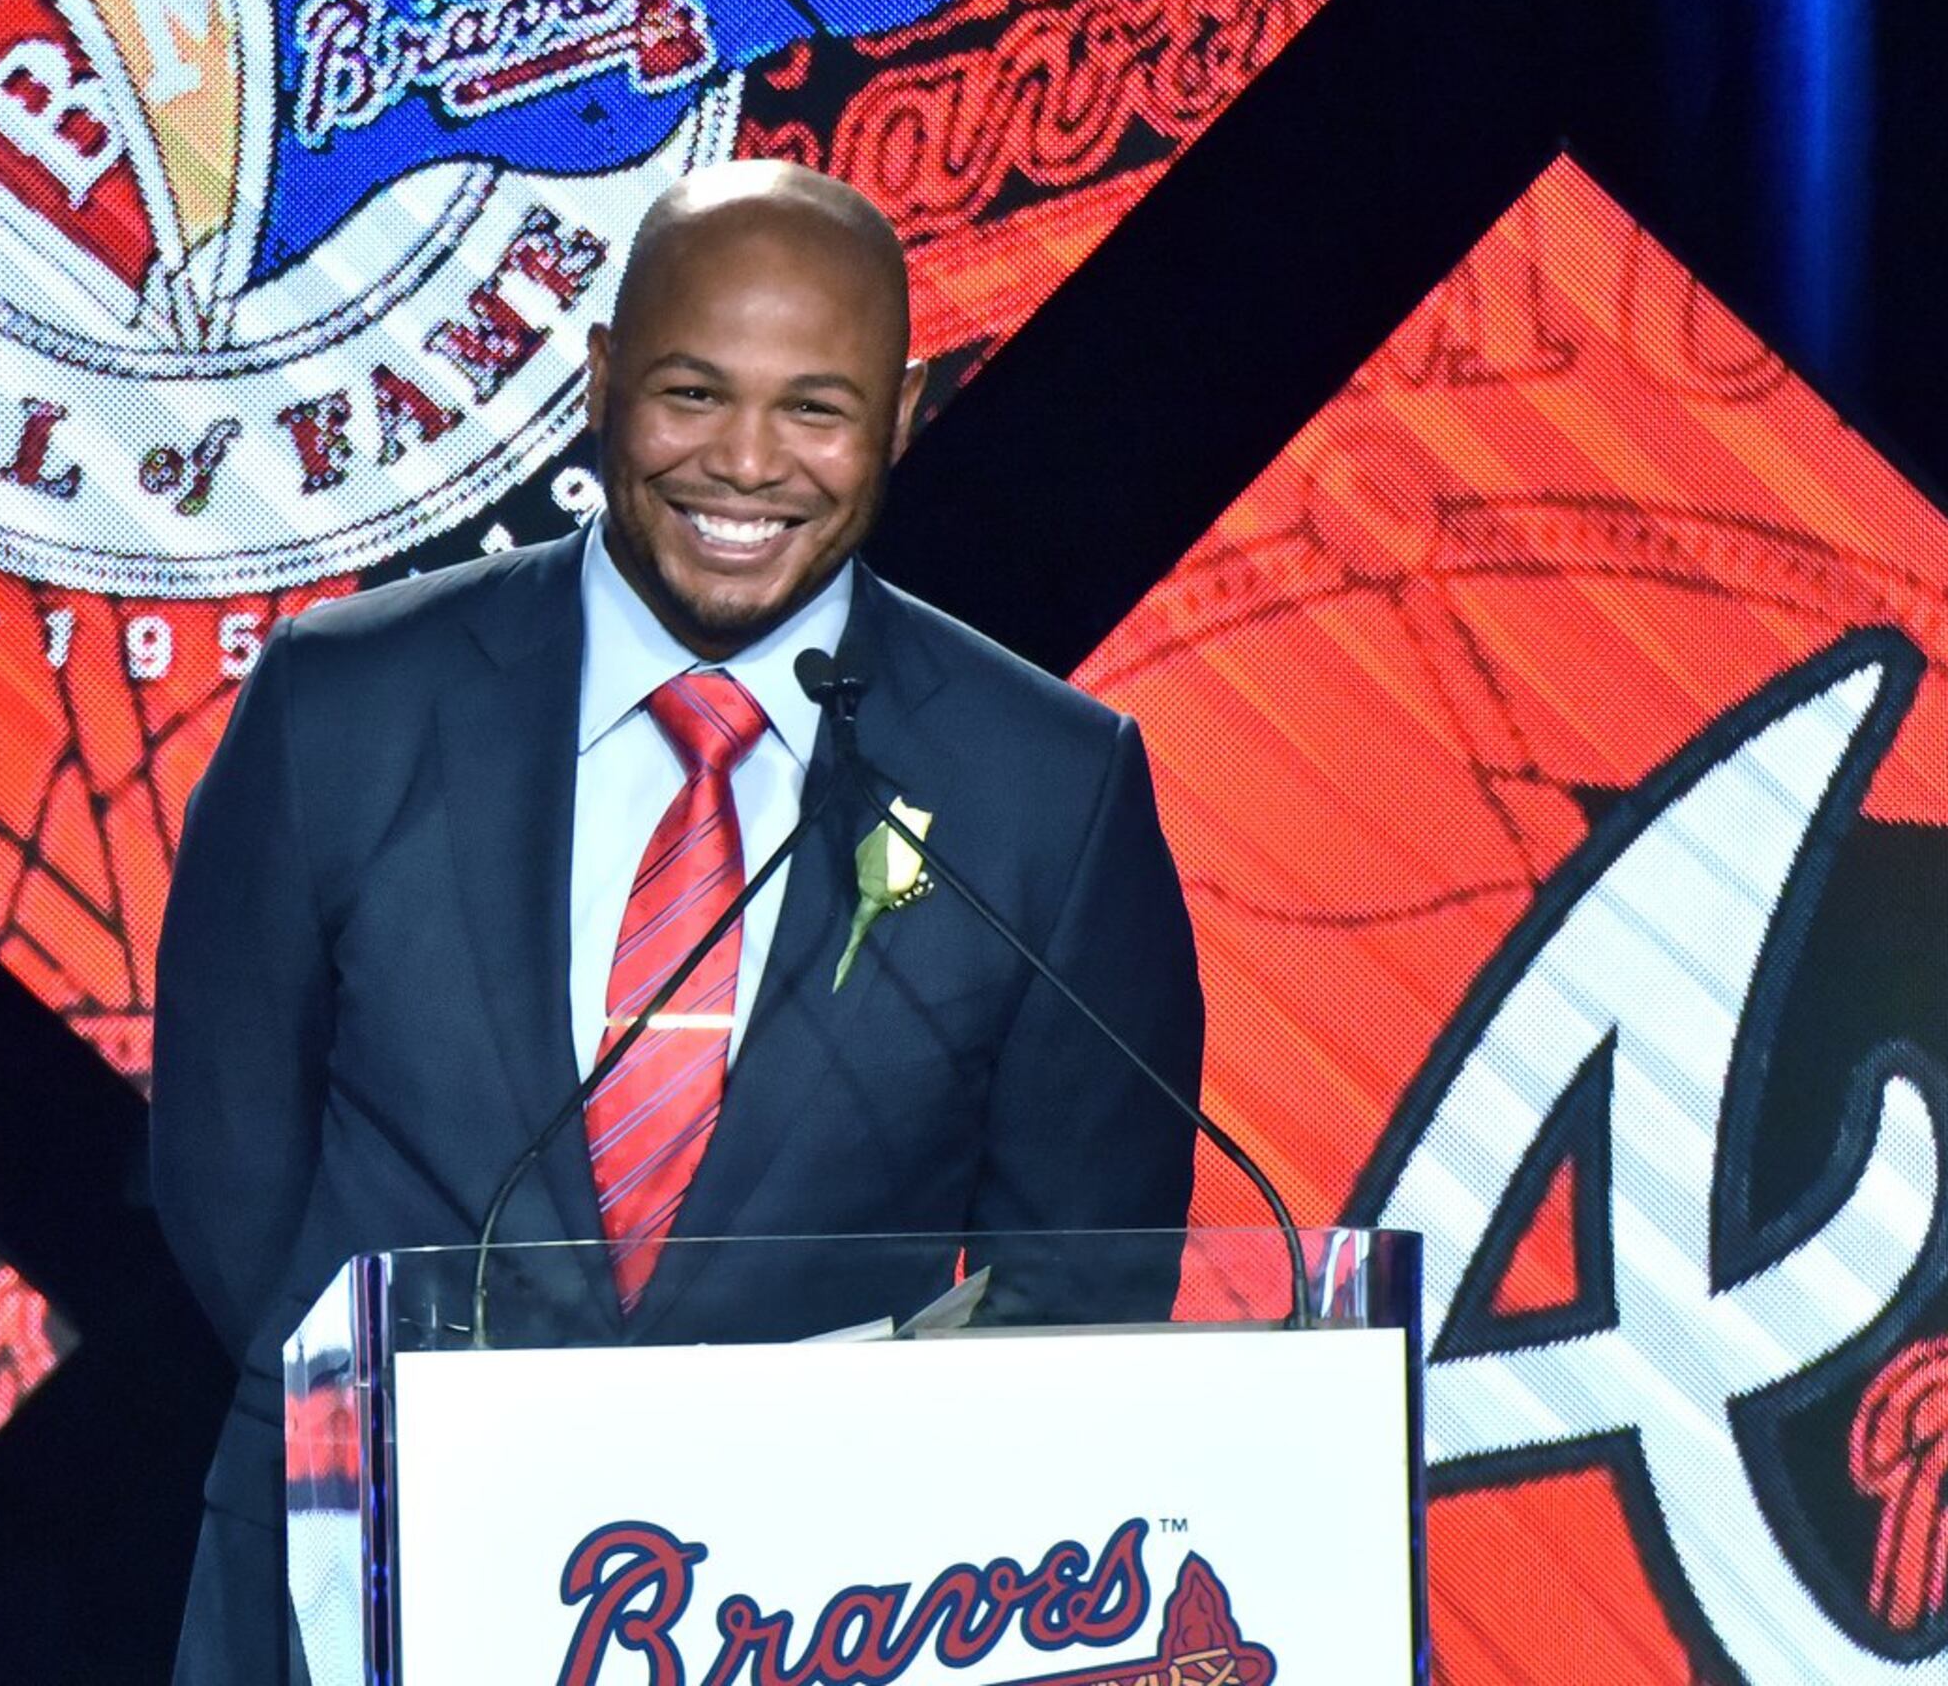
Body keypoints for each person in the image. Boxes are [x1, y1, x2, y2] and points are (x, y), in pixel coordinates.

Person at [149, 159, 1205, 1686]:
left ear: (901, 417)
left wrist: (782, 1489)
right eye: (694, 395)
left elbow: (1087, 1266)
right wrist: (420, 1436)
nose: (746, 465)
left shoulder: (1049, 786)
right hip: (350, 1573)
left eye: (816, 410)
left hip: (820, 1615)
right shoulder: (346, 700)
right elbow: (227, 1170)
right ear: (599, 383)